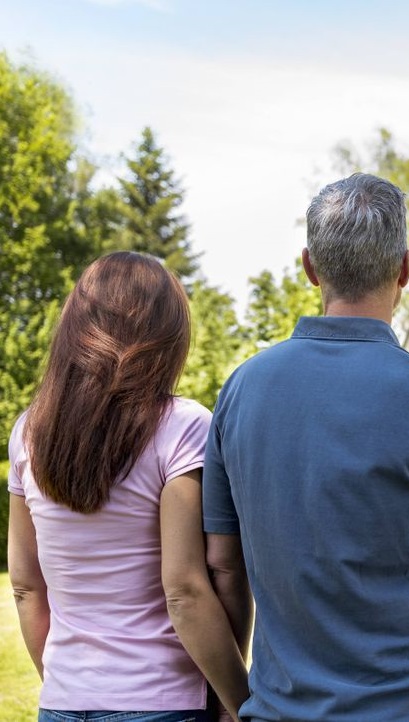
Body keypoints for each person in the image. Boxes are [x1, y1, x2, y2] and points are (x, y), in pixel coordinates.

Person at [203, 173, 409, 721]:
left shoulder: (241, 391)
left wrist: (236, 702)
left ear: (309, 267)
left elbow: (223, 570)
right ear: (404, 269)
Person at [8, 251, 249, 722]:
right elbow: (186, 590)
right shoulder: (182, 427)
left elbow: (25, 586)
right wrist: (240, 702)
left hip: (61, 704)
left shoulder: (28, 433)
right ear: (166, 332)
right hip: (164, 702)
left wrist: (68, 687)